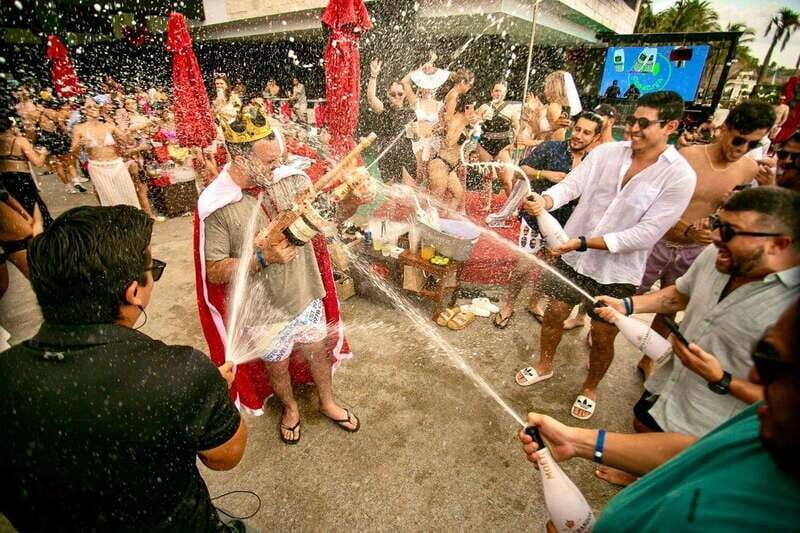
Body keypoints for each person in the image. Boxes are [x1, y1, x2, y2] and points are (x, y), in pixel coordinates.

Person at [0, 205, 248, 531]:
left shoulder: (7, 370)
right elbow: (226, 456)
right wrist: (207, 393)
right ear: (133, 292)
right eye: (153, 269)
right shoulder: (180, 372)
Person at [519, 298, 800, 532]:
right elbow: (701, 453)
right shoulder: (772, 419)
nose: (752, 377)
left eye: (772, 360)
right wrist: (576, 442)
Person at [516, 91, 696, 420]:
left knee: (602, 334)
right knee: (554, 312)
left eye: (644, 123)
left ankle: (590, 386)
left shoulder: (679, 175)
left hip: (617, 271)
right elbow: (571, 185)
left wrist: (582, 242)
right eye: (632, 121)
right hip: (573, 259)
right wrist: (547, 202)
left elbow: (646, 234)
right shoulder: (607, 153)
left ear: (670, 125)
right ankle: (544, 364)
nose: (633, 129)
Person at [196, 108, 366, 444]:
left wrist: (353, 202)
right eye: (269, 162)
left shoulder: (294, 179)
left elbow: (326, 222)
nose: (278, 166)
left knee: (317, 349)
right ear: (241, 159)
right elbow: (214, 272)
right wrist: (262, 257)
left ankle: (327, 401)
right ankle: (290, 408)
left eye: (278, 158)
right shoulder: (217, 205)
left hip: (304, 292)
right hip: (263, 308)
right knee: (277, 364)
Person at [596, 186, 800, 446]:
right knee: (641, 425)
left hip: (709, 429)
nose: (715, 236)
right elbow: (681, 293)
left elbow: (787, 407)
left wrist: (722, 379)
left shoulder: (793, 306)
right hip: (666, 387)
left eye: (729, 231)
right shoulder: (719, 255)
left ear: (777, 244)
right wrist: (628, 305)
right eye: (717, 223)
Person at [635, 100, 776, 377]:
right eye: (739, 140)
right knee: (629, 294)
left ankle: (647, 356)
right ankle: (602, 335)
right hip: (659, 241)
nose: (743, 149)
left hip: (696, 252)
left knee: (670, 306)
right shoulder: (686, 157)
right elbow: (647, 203)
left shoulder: (749, 170)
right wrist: (685, 227)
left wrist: (762, 190)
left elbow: (756, 220)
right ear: (724, 129)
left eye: (752, 144)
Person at [493, 112, 604, 330]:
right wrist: (545, 174)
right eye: (577, 129)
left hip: (568, 224)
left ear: (596, 137)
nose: (579, 135)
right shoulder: (551, 147)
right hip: (535, 218)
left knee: (549, 266)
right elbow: (520, 171)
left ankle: (534, 303)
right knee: (524, 265)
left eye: (586, 132)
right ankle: (508, 305)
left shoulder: (594, 161)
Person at [70, 98, 142, 210]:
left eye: (96, 106)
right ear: (83, 110)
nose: (94, 108)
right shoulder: (79, 129)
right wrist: (79, 144)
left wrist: (126, 128)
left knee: (129, 196)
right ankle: (117, 225)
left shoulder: (109, 126)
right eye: (90, 107)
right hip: (97, 168)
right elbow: (73, 153)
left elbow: (127, 141)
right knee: (110, 201)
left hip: (117, 165)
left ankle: (134, 222)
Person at [366, 59, 417, 186]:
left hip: (406, 155)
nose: (397, 97)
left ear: (405, 94)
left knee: (408, 195)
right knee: (392, 198)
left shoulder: (410, 113)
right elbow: (371, 99)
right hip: (387, 156)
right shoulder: (383, 110)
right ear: (388, 95)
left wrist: (416, 132)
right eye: (393, 94)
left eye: (400, 94)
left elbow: (415, 138)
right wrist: (373, 76)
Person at [0, 113, 53, 227]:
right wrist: (43, 153)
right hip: (22, 178)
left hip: (4, 178)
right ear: (11, 126)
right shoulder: (20, 141)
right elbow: (38, 163)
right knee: (35, 209)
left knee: (16, 210)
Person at [427, 92, 477, 212]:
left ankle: (445, 221)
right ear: (466, 107)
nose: (473, 111)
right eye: (472, 107)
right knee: (436, 199)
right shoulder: (456, 120)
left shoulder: (464, 121)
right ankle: (428, 223)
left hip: (450, 167)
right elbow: (449, 142)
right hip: (440, 164)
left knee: (457, 194)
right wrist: (465, 127)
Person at [475, 81, 519, 206]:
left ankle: (512, 207)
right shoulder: (484, 107)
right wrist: (481, 119)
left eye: (501, 91)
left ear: (505, 94)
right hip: (484, 144)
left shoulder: (510, 109)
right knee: (487, 176)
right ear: (491, 92)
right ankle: (486, 204)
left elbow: (517, 127)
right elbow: (473, 123)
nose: (498, 93)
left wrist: (513, 143)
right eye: (496, 90)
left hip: (502, 146)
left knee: (505, 180)